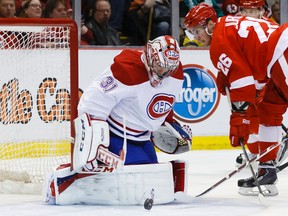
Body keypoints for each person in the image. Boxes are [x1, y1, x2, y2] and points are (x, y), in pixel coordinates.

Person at [43, 35, 192, 205]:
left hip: (143, 138)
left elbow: (163, 100)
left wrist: (169, 123)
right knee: (130, 176)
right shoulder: (128, 69)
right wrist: (96, 143)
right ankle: (61, 180)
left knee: (151, 173)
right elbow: (91, 102)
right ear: (150, 56)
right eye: (159, 66)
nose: (162, 73)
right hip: (117, 136)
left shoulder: (176, 72)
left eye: (167, 69)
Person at [184, 2, 287, 196]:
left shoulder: (218, 42)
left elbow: (244, 82)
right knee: (269, 111)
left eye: (197, 31)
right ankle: (267, 170)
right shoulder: (227, 25)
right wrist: (227, 76)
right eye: (191, 34)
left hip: (283, 53)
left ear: (209, 25)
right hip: (277, 58)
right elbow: (251, 69)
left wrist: (239, 118)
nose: (196, 38)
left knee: (266, 110)